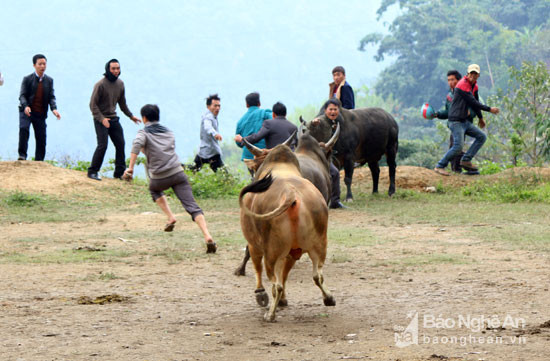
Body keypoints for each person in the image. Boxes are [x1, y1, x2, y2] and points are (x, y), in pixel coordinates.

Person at [124, 104, 217, 254]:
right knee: (192, 207)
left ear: (144, 118)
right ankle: (207, 235)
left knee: (154, 190)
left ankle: (171, 217)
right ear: (158, 117)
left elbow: (137, 146)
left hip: (159, 178)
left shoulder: (143, 133)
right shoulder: (169, 132)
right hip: (177, 172)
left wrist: (130, 168)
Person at [434, 64, 499, 176]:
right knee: (457, 146)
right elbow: (473, 102)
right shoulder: (463, 85)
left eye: (475, 74)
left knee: (481, 136)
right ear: (467, 74)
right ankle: (440, 166)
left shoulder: (474, 86)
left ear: (478, 75)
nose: (472, 76)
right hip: (456, 121)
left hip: (465, 122)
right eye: (471, 73)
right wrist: (489, 109)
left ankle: (466, 160)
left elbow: (475, 102)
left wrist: (481, 118)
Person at [87, 59, 140, 181]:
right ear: (108, 69)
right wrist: (101, 119)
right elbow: (92, 105)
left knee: (120, 144)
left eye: (118, 68)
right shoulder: (100, 85)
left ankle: (119, 173)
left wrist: (131, 116)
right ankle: (92, 171)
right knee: (103, 145)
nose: (116, 71)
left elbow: (122, 103)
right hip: (100, 119)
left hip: (113, 118)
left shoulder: (120, 84)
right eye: (113, 69)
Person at [17, 54, 61, 161]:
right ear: (34, 65)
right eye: (40, 64)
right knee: (24, 129)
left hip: (40, 112)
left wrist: (54, 109)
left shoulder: (49, 80)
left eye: (44, 64)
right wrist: (26, 106)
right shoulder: (27, 79)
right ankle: (22, 155)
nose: (42, 66)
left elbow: (51, 97)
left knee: (41, 137)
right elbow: (22, 95)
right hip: (26, 111)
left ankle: (39, 160)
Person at [435, 70, 470, 173]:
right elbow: (448, 111)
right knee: (455, 146)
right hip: (454, 124)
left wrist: (468, 113)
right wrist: (438, 114)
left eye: (452, 80)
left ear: (458, 80)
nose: (450, 82)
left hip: (462, 124)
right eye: (448, 80)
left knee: (455, 146)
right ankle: (457, 169)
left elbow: (473, 107)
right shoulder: (450, 95)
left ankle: (458, 168)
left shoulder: (465, 93)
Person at [234, 92, 272, 174]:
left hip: (248, 157)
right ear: (259, 103)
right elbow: (274, 122)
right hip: (264, 154)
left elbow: (239, 143)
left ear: (247, 105)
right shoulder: (265, 113)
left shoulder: (240, 121)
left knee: (255, 178)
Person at [189, 94, 224, 172]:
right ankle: (178, 169)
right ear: (208, 106)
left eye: (219, 106)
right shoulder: (208, 117)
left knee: (192, 169)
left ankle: (179, 169)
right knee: (224, 176)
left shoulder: (212, 116)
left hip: (204, 150)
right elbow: (208, 127)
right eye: (215, 106)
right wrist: (215, 134)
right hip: (211, 152)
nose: (218, 108)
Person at [323, 99, 347, 209]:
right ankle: (334, 201)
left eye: (335, 109)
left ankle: (334, 201)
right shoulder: (320, 121)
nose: (333, 112)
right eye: (330, 109)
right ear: (325, 110)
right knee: (334, 173)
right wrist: (313, 124)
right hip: (318, 156)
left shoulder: (334, 123)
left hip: (328, 156)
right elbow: (311, 126)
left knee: (334, 173)